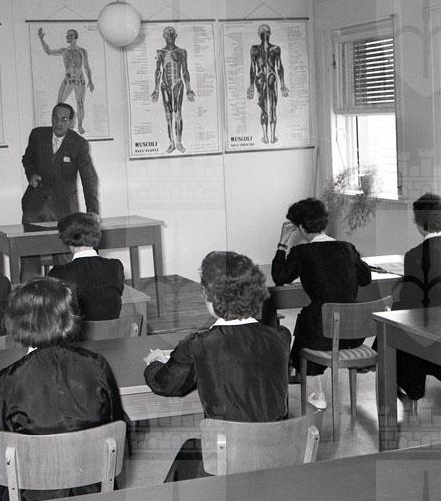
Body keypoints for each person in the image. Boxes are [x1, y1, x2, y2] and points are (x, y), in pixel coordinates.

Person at [144, 251, 290, 482]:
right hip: (278, 453)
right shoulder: (281, 337)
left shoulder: (201, 344)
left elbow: (165, 384)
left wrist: (154, 363)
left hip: (227, 458)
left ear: (208, 295)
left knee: (187, 453)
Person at [0, 277, 124, 501]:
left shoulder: (6, 380)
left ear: (16, 322)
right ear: (69, 318)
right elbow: (117, 429)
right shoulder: (97, 365)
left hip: (29, 496)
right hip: (93, 492)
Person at [272, 197, 371, 408]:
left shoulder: (302, 252)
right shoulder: (347, 247)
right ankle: (309, 382)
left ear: (300, 227)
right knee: (312, 319)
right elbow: (366, 278)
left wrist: (282, 242)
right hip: (353, 333)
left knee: (307, 322)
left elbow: (279, 277)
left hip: (322, 336)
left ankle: (315, 389)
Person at [21, 102, 99, 278]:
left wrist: (92, 211)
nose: (58, 123)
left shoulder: (78, 144)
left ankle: (63, 293)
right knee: (29, 257)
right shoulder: (37, 135)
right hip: (35, 208)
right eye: (55, 118)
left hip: (64, 211)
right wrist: (31, 174)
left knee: (64, 261)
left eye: (64, 119)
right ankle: (29, 293)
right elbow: (27, 159)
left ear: (71, 122)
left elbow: (89, 179)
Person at [395, 193, 441, 401]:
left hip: (430, 335)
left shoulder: (414, 255)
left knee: (397, 323)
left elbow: (411, 302)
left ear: (421, 224)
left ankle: (411, 386)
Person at [48, 212, 124, 320]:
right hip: (113, 330)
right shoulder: (115, 266)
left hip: (78, 331)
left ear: (66, 239)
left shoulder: (57, 273)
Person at [38, 27, 94, 134]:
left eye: (70, 35)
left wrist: (90, 81)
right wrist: (41, 38)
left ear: (75, 37)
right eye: (67, 35)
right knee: (59, 102)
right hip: (68, 79)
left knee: (80, 103)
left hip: (79, 80)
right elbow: (49, 51)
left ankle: (80, 125)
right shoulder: (64, 51)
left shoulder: (82, 51)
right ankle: (61, 125)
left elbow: (86, 66)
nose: (68, 37)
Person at [152, 26, 195, 154]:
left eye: (172, 34)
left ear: (175, 36)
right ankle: (171, 143)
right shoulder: (160, 52)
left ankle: (179, 142)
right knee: (168, 115)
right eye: (167, 34)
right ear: (164, 36)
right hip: (165, 85)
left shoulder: (182, 52)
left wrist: (189, 90)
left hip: (177, 84)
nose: (170, 37)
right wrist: (156, 90)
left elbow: (185, 71)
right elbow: (158, 71)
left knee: (177, 113)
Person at [247, 23, 288, 144]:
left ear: (259, 34)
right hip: (271, 77)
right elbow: (279, 67)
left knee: (264, 107)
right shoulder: (275, 49)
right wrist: (282, 85)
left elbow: (253, 68)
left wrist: (251, 86)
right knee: (272, 106)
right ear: (269, 34)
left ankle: (265, 137)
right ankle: (272, 136)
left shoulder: (254, 49)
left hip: (261, 77)